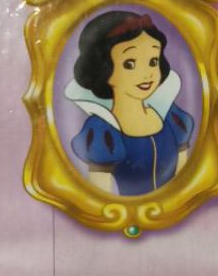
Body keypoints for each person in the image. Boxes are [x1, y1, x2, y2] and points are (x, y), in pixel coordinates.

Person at [65, 11, 193, 196]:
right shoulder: (102, 131)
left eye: (153, 61)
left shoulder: (172, 117)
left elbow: (182, 184)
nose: (147, 73)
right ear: (104, 69)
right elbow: (102, 195)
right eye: (130, 64)